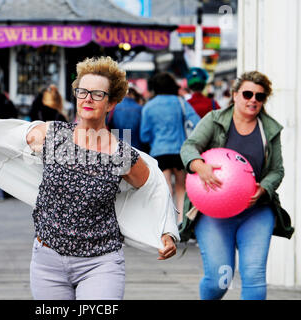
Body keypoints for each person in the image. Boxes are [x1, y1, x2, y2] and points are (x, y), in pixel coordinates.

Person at [0, 56, 178, 300]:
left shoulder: (121, 153)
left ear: (111, 103)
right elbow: (6, 139)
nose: (88, 98)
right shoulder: (51, 135)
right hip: (48, 263)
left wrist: (166, 231)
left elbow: (153, 188)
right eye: (83, 91)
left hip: (100, 263)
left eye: (98, 94)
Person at [179, 71, 294, 300]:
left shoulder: (270, 130)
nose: (253, 100)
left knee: (254, 276)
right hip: (214, 212)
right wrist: (199, 165)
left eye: (259, 97)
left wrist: (264, 189)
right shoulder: (214, 119)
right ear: (235, 95)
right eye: (248, 94)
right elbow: (189, 146)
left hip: (256, 212)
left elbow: (277, 170)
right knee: (219, 280)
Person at [140, 72, 200, 222]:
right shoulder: (180, 102)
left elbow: (144, 135)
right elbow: (197, 122)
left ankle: (167, 223)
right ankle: (181, 221)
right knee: (181, 187)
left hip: (159, 152)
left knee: (165, 188)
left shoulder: (149, 106)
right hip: (180, 151)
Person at [107, 83, 147, 152]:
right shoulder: (141, 109)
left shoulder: (113, 108)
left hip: (117, 148)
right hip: (137, 149)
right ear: (133, 95)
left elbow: (106, 125)